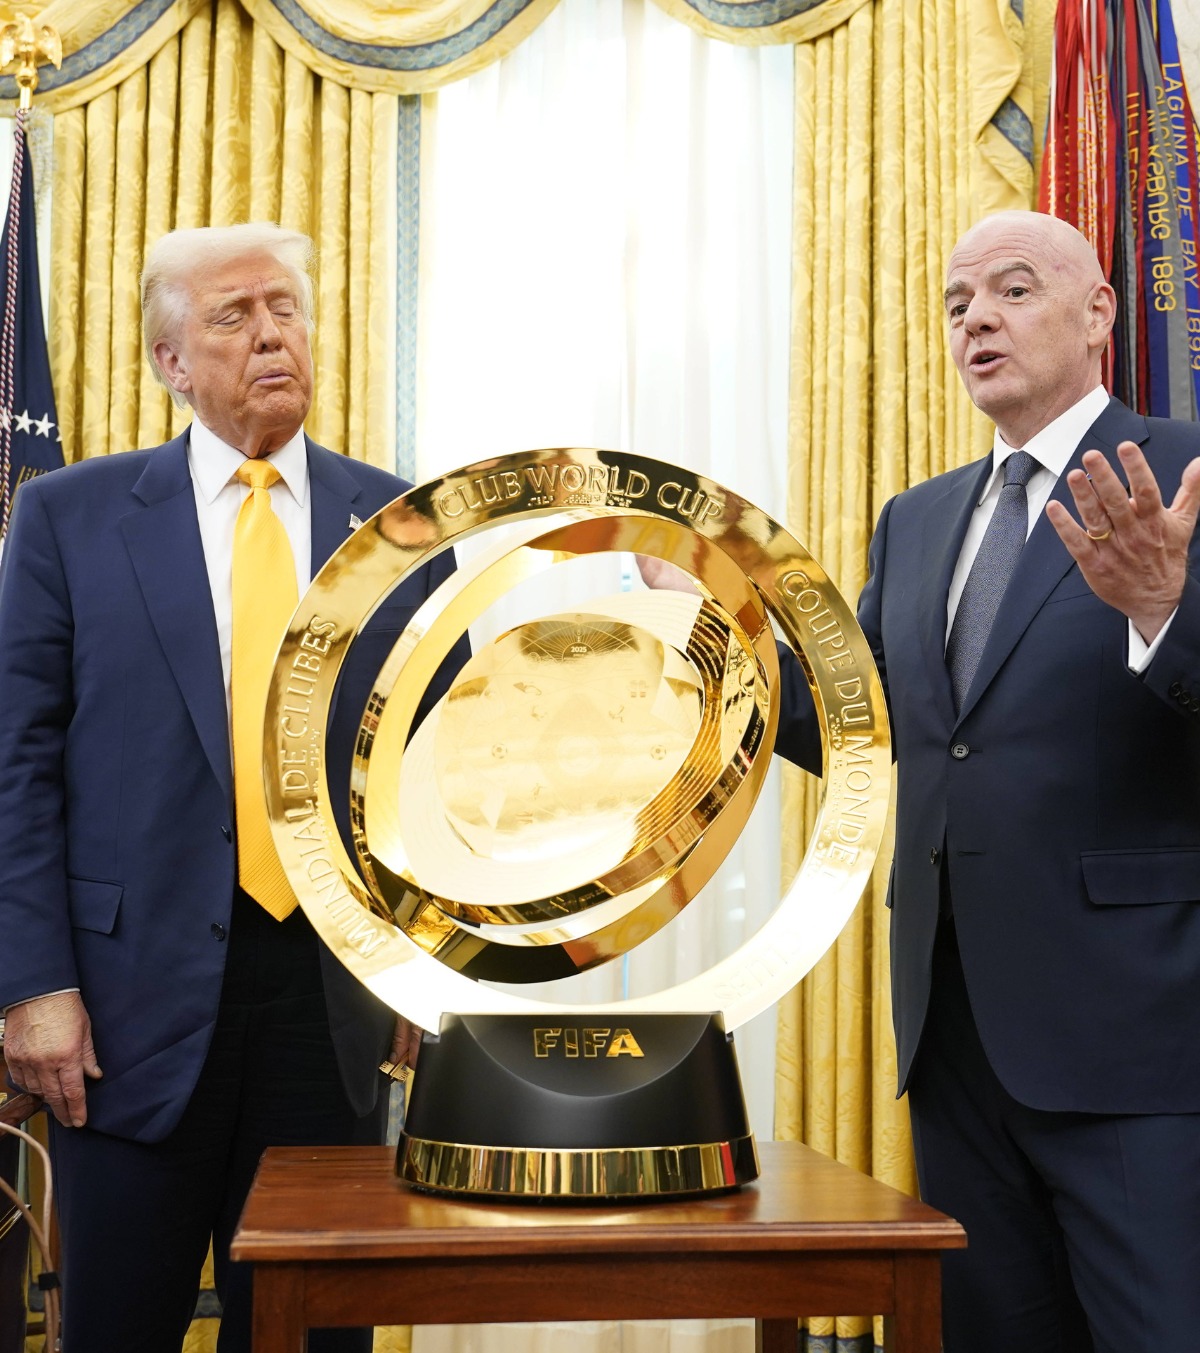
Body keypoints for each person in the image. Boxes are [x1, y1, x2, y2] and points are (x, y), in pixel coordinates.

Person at [0, 224, 467, 1353]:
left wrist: (425, 966)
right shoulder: (70, 517)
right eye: (234, 316)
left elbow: (442, 765)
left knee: (316, 1331)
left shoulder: (400, 525)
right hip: (123, 1013)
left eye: (285, 309)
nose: (271, 336)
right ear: (170, 361)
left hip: (334, 1006)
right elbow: (16, 764)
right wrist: (32, 986)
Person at [773, 211, 1200, 1350]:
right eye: (958, 304)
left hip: (1136, 1036)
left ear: (1100, 314)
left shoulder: (1183, 473)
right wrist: (716, 636)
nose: (977, 322)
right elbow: (861, 724)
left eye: (1013, 291)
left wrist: (1164, 610)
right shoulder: (916, 520)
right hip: (953, 1031)